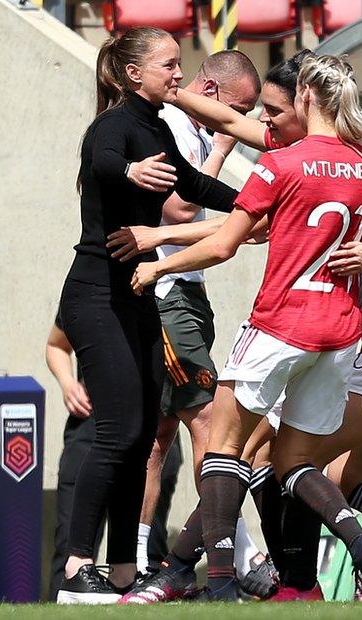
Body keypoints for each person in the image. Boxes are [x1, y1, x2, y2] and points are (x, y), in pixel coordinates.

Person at [130, 54, 362, 601]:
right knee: (295, 463)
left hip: (284, 325)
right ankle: (360, 550)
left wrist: (159, 260)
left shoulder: (282, 164)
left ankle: (214, 584)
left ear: (305, 96)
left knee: (224, 450)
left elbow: (225, 242)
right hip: (343, 339)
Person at [56, 27, 238, 604]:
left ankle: (122, 572)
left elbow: (194, 183)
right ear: (134, 73)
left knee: (139, 439)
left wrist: (262, 200)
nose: (179, 75)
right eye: (169, 65)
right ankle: (74, 569)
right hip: (94, 295)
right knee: (115, 431)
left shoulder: (158, 125)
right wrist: (132, 174)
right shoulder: (113, 125)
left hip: (135, 294)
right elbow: (105, 163)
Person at [129, 49, 260, 576]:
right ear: (211, 94)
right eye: (242, 108)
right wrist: (223, 147)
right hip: (167, 294)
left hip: (187, 289)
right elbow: (180, 208)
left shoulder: (194, 131)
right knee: (207, 419)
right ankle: (238, 557)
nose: (245, 121)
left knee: (159, 436)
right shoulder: (177, 127)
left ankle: (135, 559)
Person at [45, 317, 183, 599]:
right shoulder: (92, 287)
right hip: (91, 425)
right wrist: (68, 383)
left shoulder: (164, 284)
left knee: (146, 551)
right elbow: (56, 345)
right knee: (72, 548)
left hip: (152, 429)